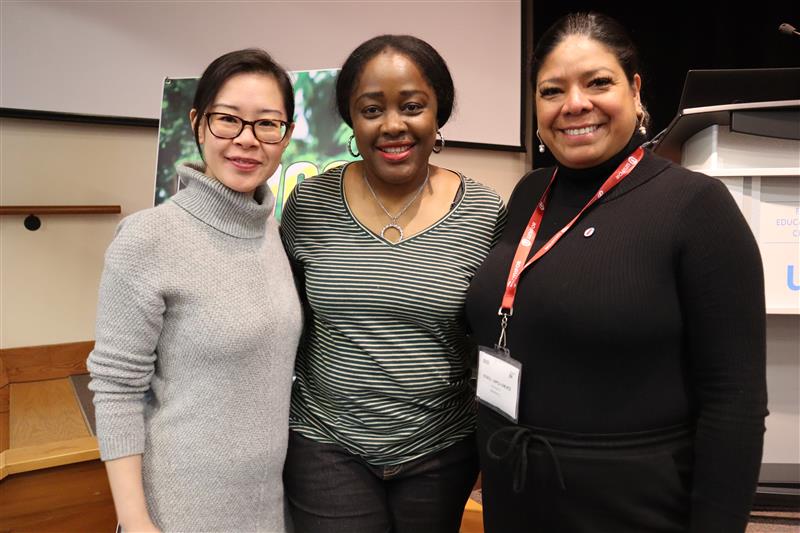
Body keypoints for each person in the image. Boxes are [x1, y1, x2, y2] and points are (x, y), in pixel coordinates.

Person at [465, 12, 767, 533]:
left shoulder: (696, 207)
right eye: (552, 90)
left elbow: (733, 404)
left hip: (629, 508)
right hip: (516, 493)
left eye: (598, 82)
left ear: (635, 89)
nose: (574, 104)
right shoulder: (527, 194)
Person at [280, 34, 506, 533]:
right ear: (351, 120)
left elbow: (496, 333)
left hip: (441, 447)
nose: (393, 126)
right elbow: (282, 319)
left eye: (412, 106)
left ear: (438, 112)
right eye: (371, 109)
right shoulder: (309, 206)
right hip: (326, 440)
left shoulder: (485, 212)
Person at [87, 48, 302, 532]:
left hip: (267, 506)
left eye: (267, 124)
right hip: (181, 508)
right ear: (197, 123)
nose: (247, 141)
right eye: (228, 119)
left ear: (285, 137)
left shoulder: (271, 231)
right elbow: (117, 389)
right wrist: (135, 521)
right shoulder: (147, 237)